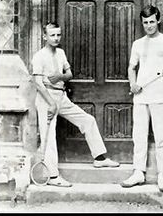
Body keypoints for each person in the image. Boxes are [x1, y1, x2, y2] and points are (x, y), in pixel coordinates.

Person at [32, 22, 119, 187]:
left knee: (87, 120)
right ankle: (52, 177)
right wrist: (50, 103)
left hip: (60, 95)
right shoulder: (39, 56)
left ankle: (99, 158)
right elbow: (38, 83)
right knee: (48, 136)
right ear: (45, 36)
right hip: (45, 98)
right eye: (52, 35)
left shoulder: (61, 53)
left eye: (58, 34)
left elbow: (69, 74)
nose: (56, 38)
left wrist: (60, 76)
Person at [121, 5, 163, 192]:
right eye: (145, 22)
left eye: (152, 22)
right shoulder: (137, 44)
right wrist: (132, 84)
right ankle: (138, 172)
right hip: (140, 96)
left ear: (158, 20)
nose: (149, 26)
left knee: (162, 137)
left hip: (160, 96)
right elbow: (132, 68)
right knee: (138, 136)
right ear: (142, 23)